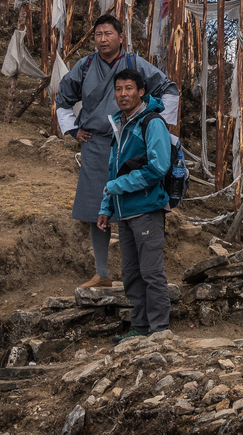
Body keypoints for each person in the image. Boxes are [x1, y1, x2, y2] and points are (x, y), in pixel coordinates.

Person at [54, 14, 179, 288]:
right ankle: (102, 273)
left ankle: (139, 275)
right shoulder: (85, 66)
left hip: (133, 142)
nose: (102, 39)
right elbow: (62, 97)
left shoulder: (135, 64)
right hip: (96, 144)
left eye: (108, 33)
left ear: (120, 37)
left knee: (134, 205)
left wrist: (160, 128)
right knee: (94, 208)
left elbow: (169, 88)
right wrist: (74, 130)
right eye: (98, 34)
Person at [98, 65, 172, 340]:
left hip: (147, 208)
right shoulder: (120, 123)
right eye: (118, 89)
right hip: (124, 212)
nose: (123, 94)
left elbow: (158, 167)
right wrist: (107, 208)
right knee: (131, 275)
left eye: (129, 88)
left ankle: (159, 331)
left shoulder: (150, 122)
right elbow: (112, 171)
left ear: (141, 92)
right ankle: (139, 329)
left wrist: (117, 186)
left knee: (151, 273)